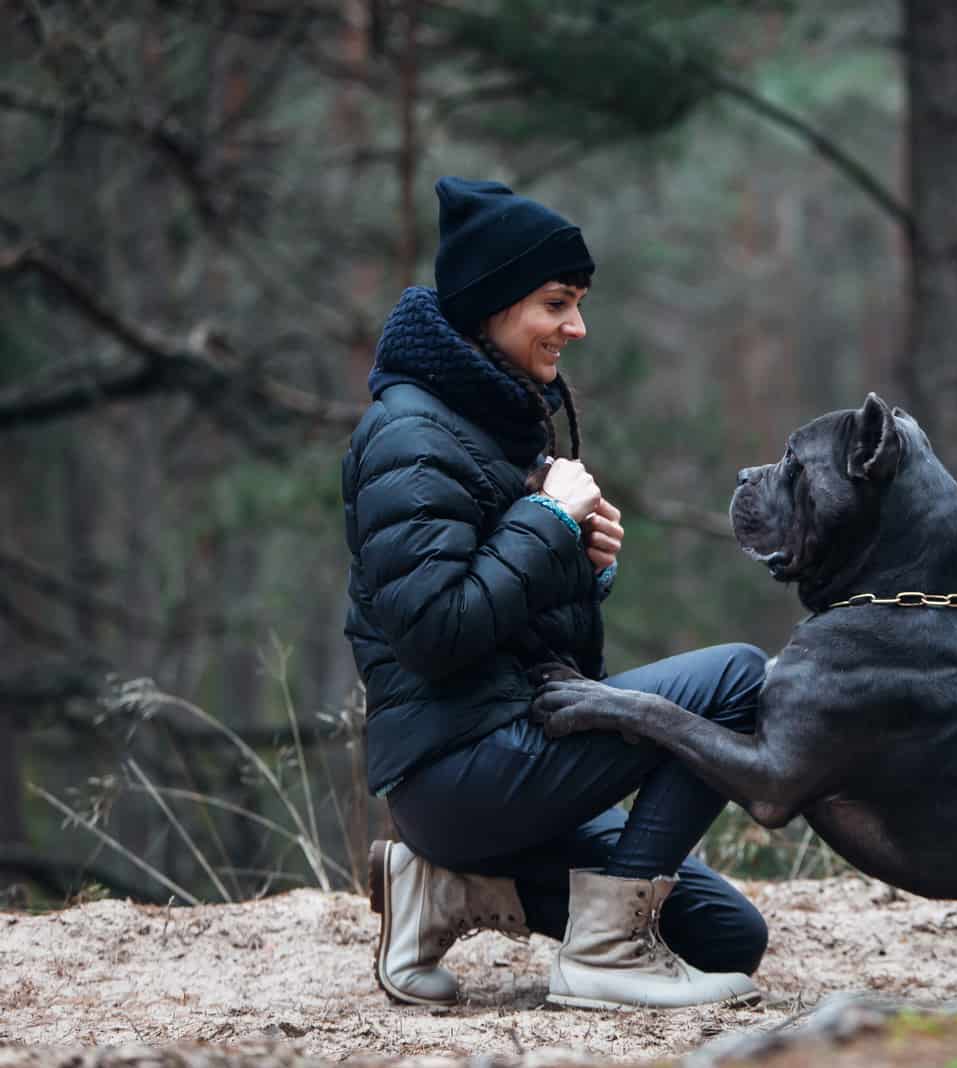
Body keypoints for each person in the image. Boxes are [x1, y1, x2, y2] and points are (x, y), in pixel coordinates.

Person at [342, 177, 768, 1011]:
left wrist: (582, 563)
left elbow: (503, 613)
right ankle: (606, 954)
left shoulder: (487, 422)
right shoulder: (408, 435)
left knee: (725, 935)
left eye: (575, 303)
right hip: (458, 767)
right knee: (740, 680)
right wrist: (545, 522)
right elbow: (435, 632)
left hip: (495, 761)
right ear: (492, 307)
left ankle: (446, 890)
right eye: (556, 303)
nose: (575, 326)